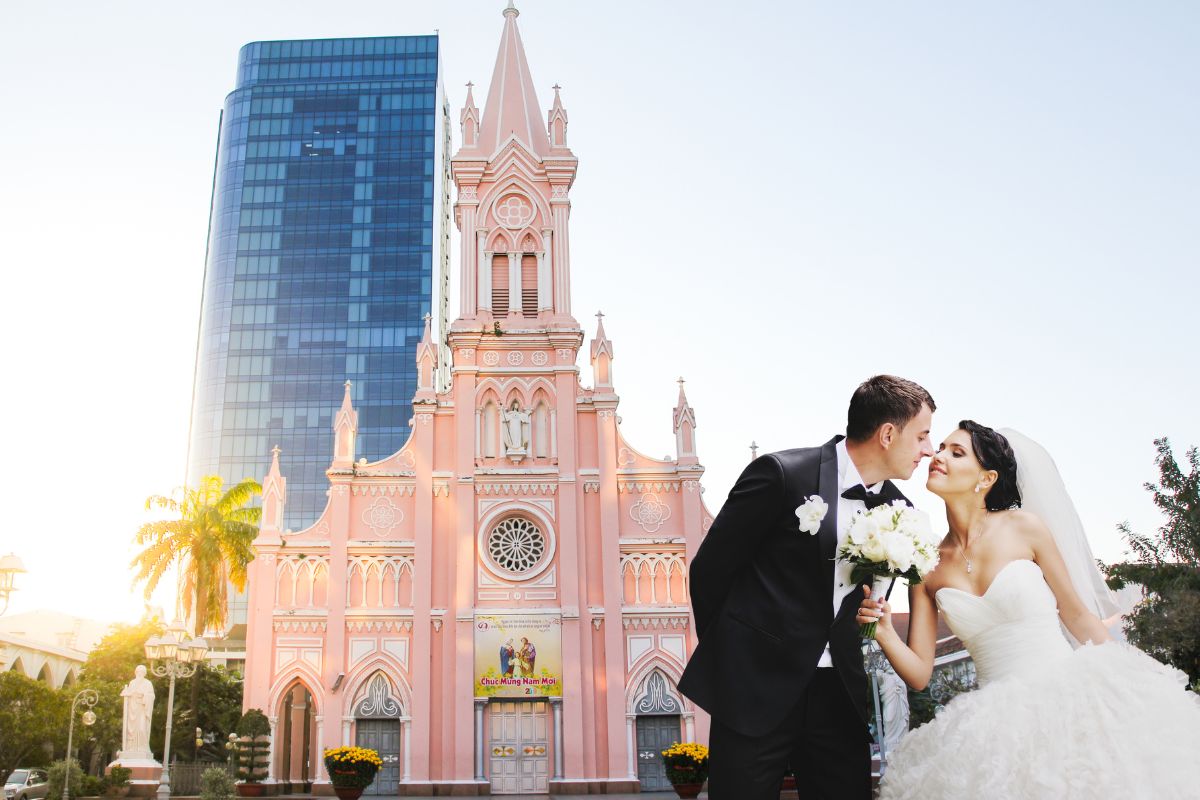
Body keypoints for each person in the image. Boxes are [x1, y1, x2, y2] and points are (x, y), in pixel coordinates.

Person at [858, 421, 1200, 798]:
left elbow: (1075, 614)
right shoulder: (925, 565)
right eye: (939, 448)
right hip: (992, 724)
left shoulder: (1025, 528)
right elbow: (920, 674)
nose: (936, 457)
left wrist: (1125, 678)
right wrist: (885, 632)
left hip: (1070, 698)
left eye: (956, 453)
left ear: (986, 478)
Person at [679, 375, 936, 799]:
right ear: (888, 434)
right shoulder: (783, 474)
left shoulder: (901, 512)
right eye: (923, 436)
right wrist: (737, 661)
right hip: (755, 688)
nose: (928, 449)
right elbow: (710, 571)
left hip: (839, 694)